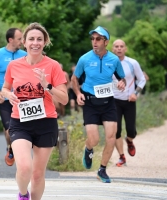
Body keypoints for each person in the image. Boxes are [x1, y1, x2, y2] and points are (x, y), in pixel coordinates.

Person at [1, 22, 68, 200]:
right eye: (31, 39)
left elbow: (64, 98)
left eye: (39, 39)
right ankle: (23, 194)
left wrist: (48, 86)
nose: (35, 43)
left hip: (46, 123)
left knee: (37, 174)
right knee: (24, 167)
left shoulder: (53, 66)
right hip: (20, 122)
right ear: (24, 42)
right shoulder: (14, 65)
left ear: (45, 42)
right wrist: (9, 95)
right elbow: (5, 89)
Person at [71, 26, 126, 183]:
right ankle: (89, 149)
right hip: (90, 102)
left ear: (106, 42)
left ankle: (102, 170)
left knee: (110, 137)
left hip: (108, 102)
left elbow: (122, 78)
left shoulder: (114, 60)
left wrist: (122, 83)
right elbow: (74, 79)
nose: (94, 42)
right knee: (94, 139)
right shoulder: (85, 59)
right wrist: (78, 94)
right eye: (92, 39)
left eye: (98, 39)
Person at [0, 28, 27, 167]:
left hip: (21, 99)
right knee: (9, 130)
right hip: (5, 99)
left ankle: (14, 150)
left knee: (20, 128)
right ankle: (11, 147)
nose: (22, 41)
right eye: (20, 38)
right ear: (11, 40)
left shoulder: (25, 55)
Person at [112, 39, 146, 167]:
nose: (119, 48)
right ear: (113, 49)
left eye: (121, 46)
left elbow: (142, 80)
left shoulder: (132, 63)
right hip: (114, 101)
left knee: (131, 130)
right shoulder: (107, 63)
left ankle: (129, 140)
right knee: (116, 130)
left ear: (125, 49)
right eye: (116, 46)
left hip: (129, 100)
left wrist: (135, 93)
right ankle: (122, 157)